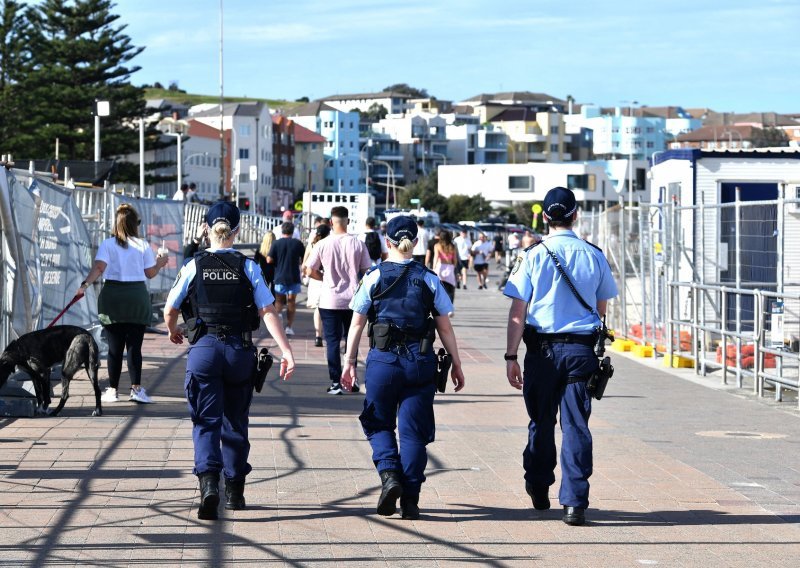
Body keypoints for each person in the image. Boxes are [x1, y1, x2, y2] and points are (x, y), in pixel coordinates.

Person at [164, 201, 296, 520]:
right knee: (235, 421)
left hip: (204, 350)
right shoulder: (248, 266)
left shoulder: (194, 265)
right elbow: (268, 311)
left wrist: (173, 331)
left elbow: (170, 308)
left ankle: (210, 484)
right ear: (237, 231)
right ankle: (235, 491)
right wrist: (286, 350)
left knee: (205, 421)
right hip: (239, 350)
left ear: (206, 229)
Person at [503, 186, 618, 527]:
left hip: (542, 352)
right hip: (581, 350)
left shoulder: (532, 255)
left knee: (541, 421)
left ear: (546, 217)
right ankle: (575, 502)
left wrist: (511, 356)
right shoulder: (593, 255)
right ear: (575, 214)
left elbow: (517, 310)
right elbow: (601, 309)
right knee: (576, 426)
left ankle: (539, 484)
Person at [340, 216, 465, 519]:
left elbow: (357, 324)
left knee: (377, 422)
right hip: (420, 362)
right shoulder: (429, 278)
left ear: (388, 241)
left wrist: (349, 362)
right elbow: (445, 328)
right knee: (413, 433)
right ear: (417, 242)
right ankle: (411, 499)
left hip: (383, 361)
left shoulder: (374, 276)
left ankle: (389, 474)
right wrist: (456, 365)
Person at [75, 203, 169, 404]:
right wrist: (161, 261)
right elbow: (150, 273)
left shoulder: (107, 244)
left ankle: (112, 390)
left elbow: (99, 267)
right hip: (136, 297)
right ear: (135, 224)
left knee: (114, 348)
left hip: (113, 297)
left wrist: (84, 285)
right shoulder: (142, 245)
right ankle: (136, 389)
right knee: (135, 347)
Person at [305, 206, 371, 395]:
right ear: (347, 221)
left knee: (332, 342)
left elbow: (309, 270)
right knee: (352, 340)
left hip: (329, 300)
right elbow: (367, 271)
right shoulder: (358, 244)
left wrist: (323, 278)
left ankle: (335, 382)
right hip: (353, 299)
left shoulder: (323, 244)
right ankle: (352, 379)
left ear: (331, 222)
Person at [268, 222, 306, 336]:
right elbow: (304, 258)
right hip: (294, 276)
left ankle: (276, 326)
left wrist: (277, 262)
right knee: (291, 302)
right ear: (293, 231)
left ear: (282, 231)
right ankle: (289, 327)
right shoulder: (298, 243)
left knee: (279, 301)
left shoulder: (276, 243)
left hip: (280, 275)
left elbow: (269, 259)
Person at [303, 224, 331, 347]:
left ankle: (318, 335)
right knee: (327, 308)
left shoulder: (312, 245)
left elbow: (304, 265)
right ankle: (327, 333)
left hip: (314, 279)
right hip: (327, 278)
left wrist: (307, 274)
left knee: (318, 309)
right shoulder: (329, 245)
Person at [432, 230, 457, 302]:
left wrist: (434, 268)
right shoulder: (452, 246)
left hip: (440, 267)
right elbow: (455, 259)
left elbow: (436, 257)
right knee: (450, 288)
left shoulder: (437, 246)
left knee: (439, 288)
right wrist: (453, 267)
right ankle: (450, 304)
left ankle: (440, 304)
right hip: (449, 267)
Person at [253, 231, 276, 296]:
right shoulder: (275, 249)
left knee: (263, 291)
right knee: (273, 291)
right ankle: (273, 304)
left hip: (263, 272)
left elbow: (255, 261)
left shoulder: (260, 249)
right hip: (274, 272)